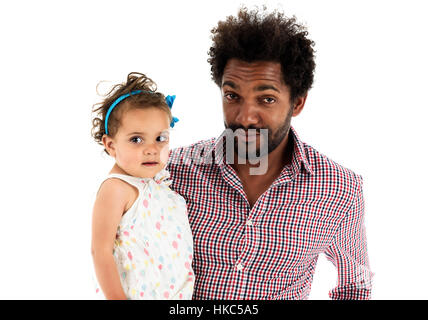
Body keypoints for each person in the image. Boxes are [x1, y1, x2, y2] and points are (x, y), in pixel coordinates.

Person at [166, 7, 374, 299]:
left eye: (266, 99)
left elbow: (355, 284)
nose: (246, 116)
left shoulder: (341, 190)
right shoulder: (171, 171)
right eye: (232, 96)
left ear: (297, 103)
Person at [90, 72, 194, 300]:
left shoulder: (157, 183)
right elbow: (101, 251)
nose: (152, 149)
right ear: (111, 144)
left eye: (160, 138)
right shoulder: (117, 188)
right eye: (136, 139)